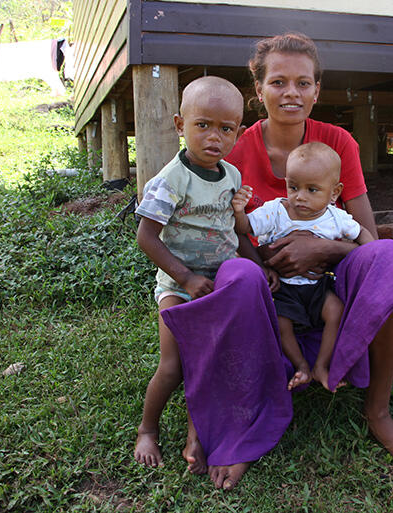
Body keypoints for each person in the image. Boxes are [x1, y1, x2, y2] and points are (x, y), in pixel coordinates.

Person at [161, 32, 393, 491]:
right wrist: (264, 263)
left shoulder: (338, 143)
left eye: (303, 83)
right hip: (266, 290)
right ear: (259, 90)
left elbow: (365, 237)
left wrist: (324, 248)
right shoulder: (233, 148)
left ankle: (379, 414)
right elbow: (223, 233)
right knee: (237, 273)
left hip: (330, 285)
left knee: (389, 256)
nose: (292, 93)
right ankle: (229, 421)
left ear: (317, 90)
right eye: (279, 82)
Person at [133, 76, 276, 473]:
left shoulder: (231, 176)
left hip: (222, 283)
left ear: (239, 133)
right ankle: (148, 429)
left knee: (209, 361)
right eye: (202, 125)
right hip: (179, 287)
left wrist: (260, 266)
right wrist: (186, 279)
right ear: (181, 125)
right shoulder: (170, 180)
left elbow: (233, 230)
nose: (214, 137)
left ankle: (200, 432)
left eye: (225, 129)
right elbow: (146, 237)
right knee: (174, 365)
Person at [232, 142, 375, 392]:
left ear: (334, 193)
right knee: (281, 322)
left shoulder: (335, 217)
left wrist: (372, 252)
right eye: (294, 187)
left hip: (318, 285)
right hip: (284, 287)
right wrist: (238, 212)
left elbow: (361, 232)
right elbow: (245, 229)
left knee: (335, 311)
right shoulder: (276, 210)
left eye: (312, 190)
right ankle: (301, 366)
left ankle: (321, 365)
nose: (300, 196)